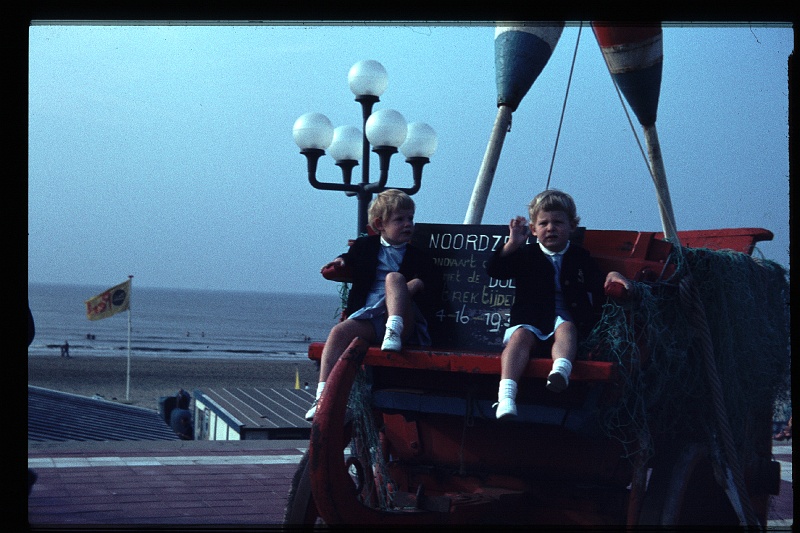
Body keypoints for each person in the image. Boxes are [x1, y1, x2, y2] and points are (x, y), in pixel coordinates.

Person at [486, 189, 631, 419]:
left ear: (572, 226)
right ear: (533, 230)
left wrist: (612, 275)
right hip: (531, 319)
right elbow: (495, 270)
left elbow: (595, 281)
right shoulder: (526, 255)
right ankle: (506, 397)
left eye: (558, 222)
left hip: (566, 318)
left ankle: (561, 370)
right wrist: (512, 244)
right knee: (518, 339)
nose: (550, 228)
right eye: (543, 223)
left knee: (568, 329)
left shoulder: (579, 256)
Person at [305, 189, 440, 421]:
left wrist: (417, 284)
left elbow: (433, 287)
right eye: (400, 219)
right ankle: (323, 398)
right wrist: (341, 260)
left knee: (394, 278)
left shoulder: (419, 257)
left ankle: (393, 331)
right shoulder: (365, 246)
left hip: (402, 320)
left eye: (410, 218)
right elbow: (350, 257)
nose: (408, 224)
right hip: (370, 316)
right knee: (338, 333)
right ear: (380, 224)